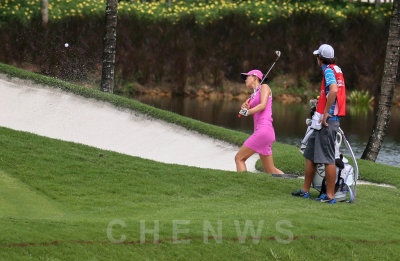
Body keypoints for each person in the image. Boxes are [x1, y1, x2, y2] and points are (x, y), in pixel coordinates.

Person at [292, 44, 346, 204]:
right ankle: (305, 191)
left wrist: (326, 113)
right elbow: (331, 92)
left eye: (317, 56)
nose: (316, 59)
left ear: (320, 58)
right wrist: (322, 101)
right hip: (322, 119)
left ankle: (329, 196)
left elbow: (334, 90)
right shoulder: (337, 68)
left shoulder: (328, 70)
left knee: (328, 159)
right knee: (310, 155)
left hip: (327, 120)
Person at [235, 69, 284, 174]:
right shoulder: (253, 95)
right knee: (270, 170)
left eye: (247, 77)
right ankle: (289, 182)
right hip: (264, 132)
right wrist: (246, 107)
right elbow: (250, 108)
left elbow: (262, 105)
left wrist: (248, 112)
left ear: (255, 77)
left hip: (264, 130)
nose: (245, 80)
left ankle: (242, 186)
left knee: (239, 158)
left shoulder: (264, 87)